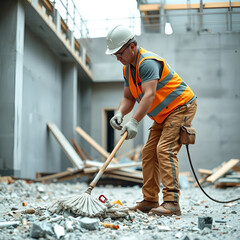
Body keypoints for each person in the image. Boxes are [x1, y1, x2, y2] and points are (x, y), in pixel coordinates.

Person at [105, 25, 197, 216]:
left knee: (164, 149)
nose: (117, 58)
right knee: (148, 152)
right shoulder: (128, 70)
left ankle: (172, 203)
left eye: (119, 53)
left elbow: (148, 95)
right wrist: (121, 113)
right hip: (164, 114)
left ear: (131, 47)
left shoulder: (147, 62)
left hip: (181, 106)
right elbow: (129, 98)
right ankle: (149, 200)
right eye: (114, 54)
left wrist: (135, 122)